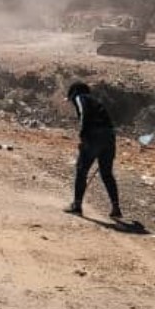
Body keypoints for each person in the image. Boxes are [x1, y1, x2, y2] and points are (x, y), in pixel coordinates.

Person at [64, 82, 122, 219]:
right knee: (107, 174)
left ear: (74, 93)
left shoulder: (81, 98)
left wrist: (83, 135)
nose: (72, 102)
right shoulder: (97, 102)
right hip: (109, 138)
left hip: (93, 136)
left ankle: (77, 205)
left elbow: (84, 113)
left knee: (81, 170)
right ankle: (116, 208)